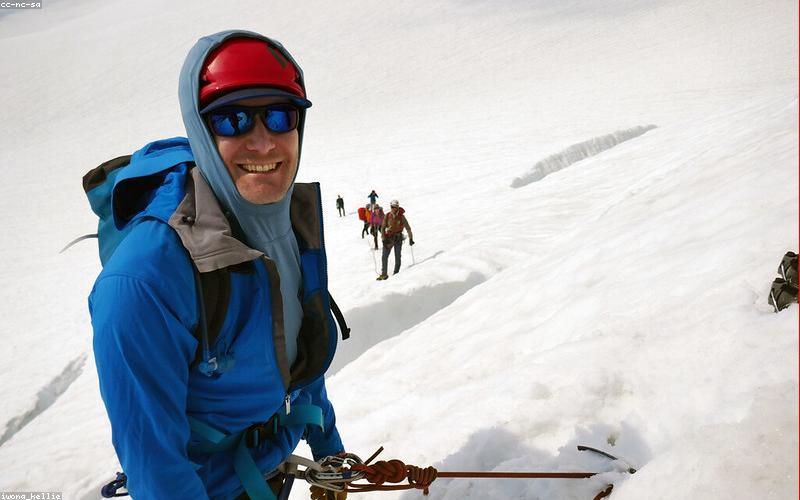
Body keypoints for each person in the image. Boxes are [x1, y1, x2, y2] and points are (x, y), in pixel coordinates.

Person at [89, 31, 346, 500]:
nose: (264, 143)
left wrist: (330, 450)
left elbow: (297, 352)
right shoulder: (143, 279)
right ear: (202, 131)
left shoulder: (287, 224)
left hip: (275, 465)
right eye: (232, 120)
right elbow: (157, 467)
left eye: (279, 115)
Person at [377, 200, 414, 280]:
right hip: (389, 238)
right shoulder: (387, 216)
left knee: (397, 257)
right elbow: (383, 227)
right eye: (392, 207)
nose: (393, 208)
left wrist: (411, 238)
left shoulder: (401, 216)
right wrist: (383, 239)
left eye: (395, 207)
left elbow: (408, 228)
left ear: (397, 207)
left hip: (398, 239)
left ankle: (396, 275)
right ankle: (384, 274)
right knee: (384, 256)